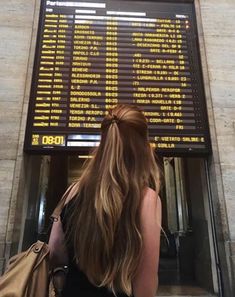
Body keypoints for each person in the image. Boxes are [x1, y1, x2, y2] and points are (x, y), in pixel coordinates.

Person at [49, 104, 162, 297]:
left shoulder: (73, 191)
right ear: (143, 145)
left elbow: (54, 251)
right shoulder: (147, 200)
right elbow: (145, 289)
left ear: (104, 140)